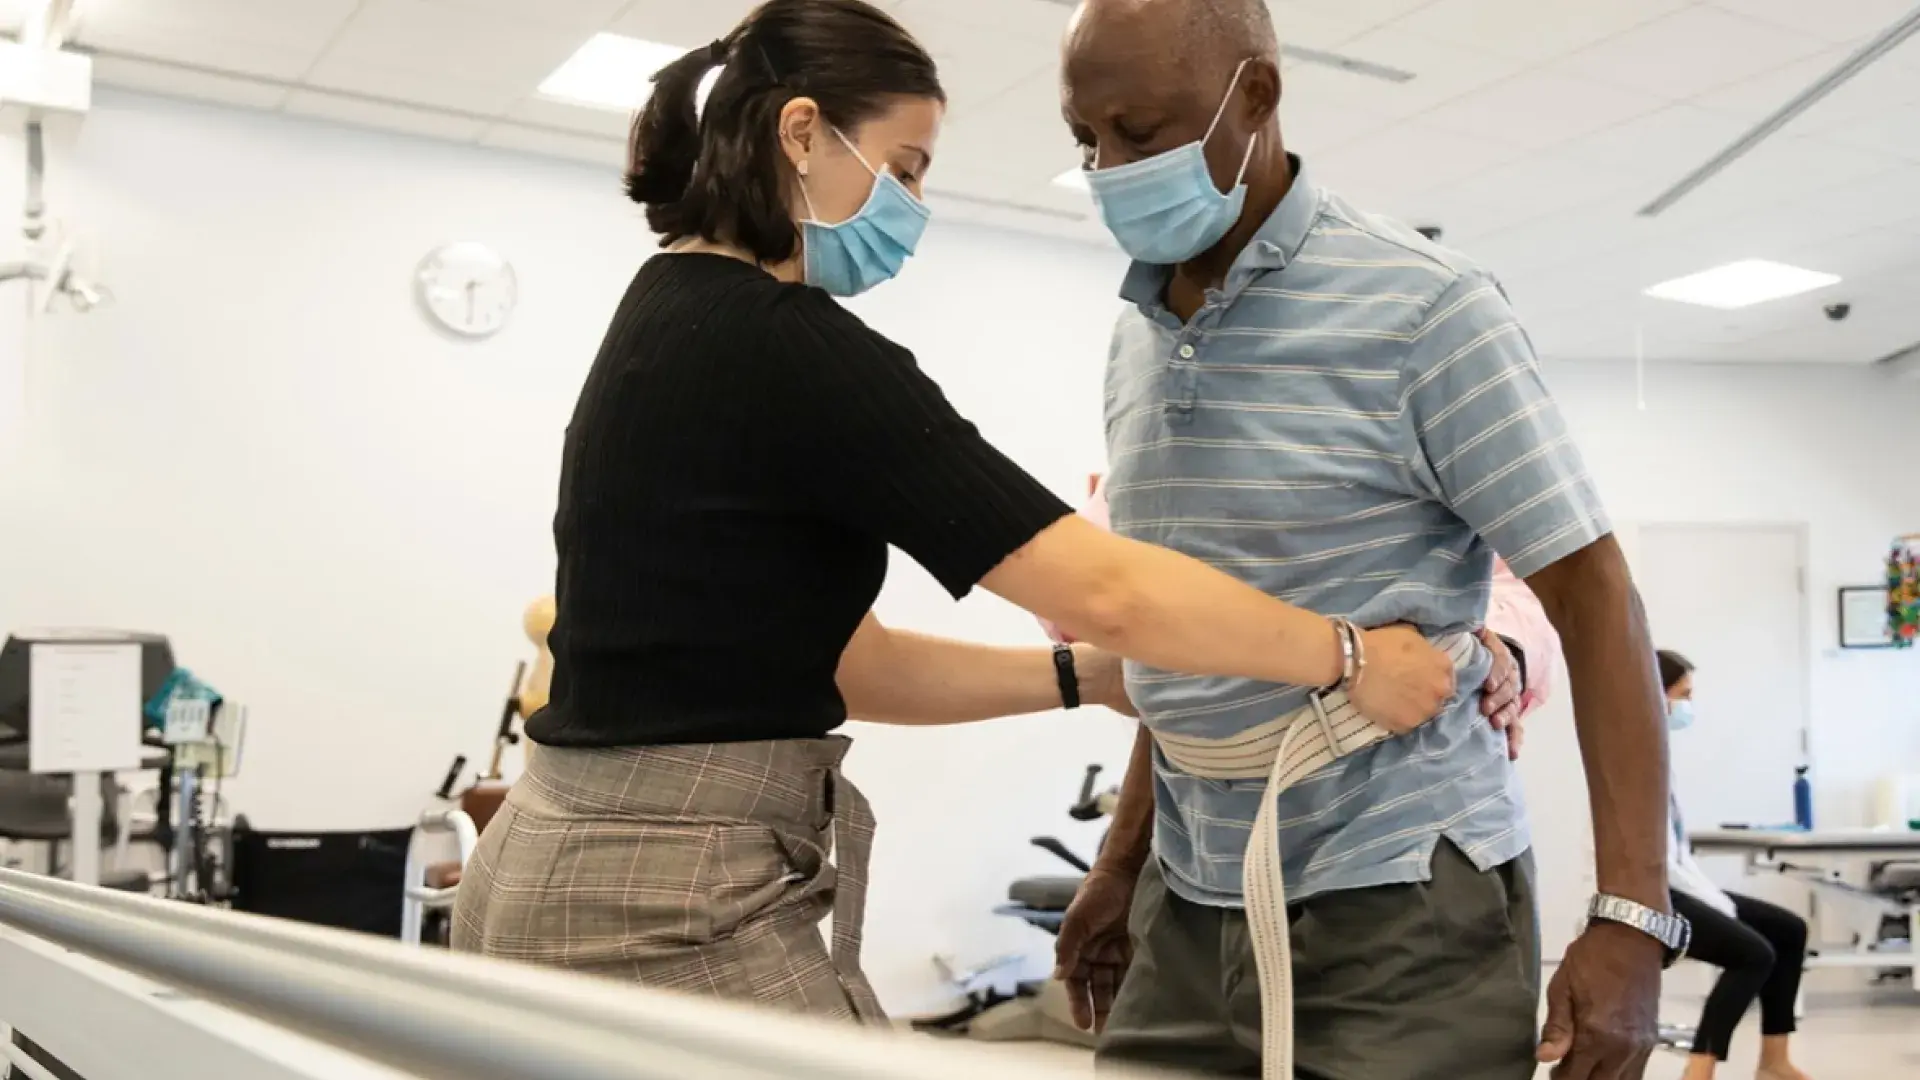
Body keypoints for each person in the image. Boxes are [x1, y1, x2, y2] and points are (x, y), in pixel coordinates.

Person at [450, 0, 1485, 1026]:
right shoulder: (786, 344)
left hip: (559, 865)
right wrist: (1347, 657)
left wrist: (1089, 679)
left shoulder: (667, 309)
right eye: (904, 167)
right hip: (654, 901)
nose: (913, 204)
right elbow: (1105, 587)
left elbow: (853, 665)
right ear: (802, 131)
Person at [1050, 2, 1684, 1078]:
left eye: (1141, 132)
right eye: (1085, 139)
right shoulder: (1136, 338)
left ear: (1255, 98)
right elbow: (1194, 632)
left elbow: (1596, 596)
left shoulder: (1426, 311)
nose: (1109, 167)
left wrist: (1634, 913)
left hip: (1400, 901)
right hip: (1189, 893)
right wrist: (1122, 859)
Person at [1041, 482, 1562, 758]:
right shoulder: (1175, 425)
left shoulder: (1420, 384)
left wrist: (1497, 651)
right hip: (1204, 794)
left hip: (1412, 802)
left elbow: (1532, 584)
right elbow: (1083, 594)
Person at [1659, 650, 1816, 1080]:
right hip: (1652, 895)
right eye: (1684, 695)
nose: (1689, 706)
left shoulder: (1660, 752)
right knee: (1753, 954)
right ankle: (1699, 1069)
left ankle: (1774, 1062)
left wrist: (1714, 899)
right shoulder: (1637, 754)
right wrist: (1716, 905)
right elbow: (1656, 863)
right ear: (1657, 696)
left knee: (1789, 929)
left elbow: (1677, 856)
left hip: (1680, 885)